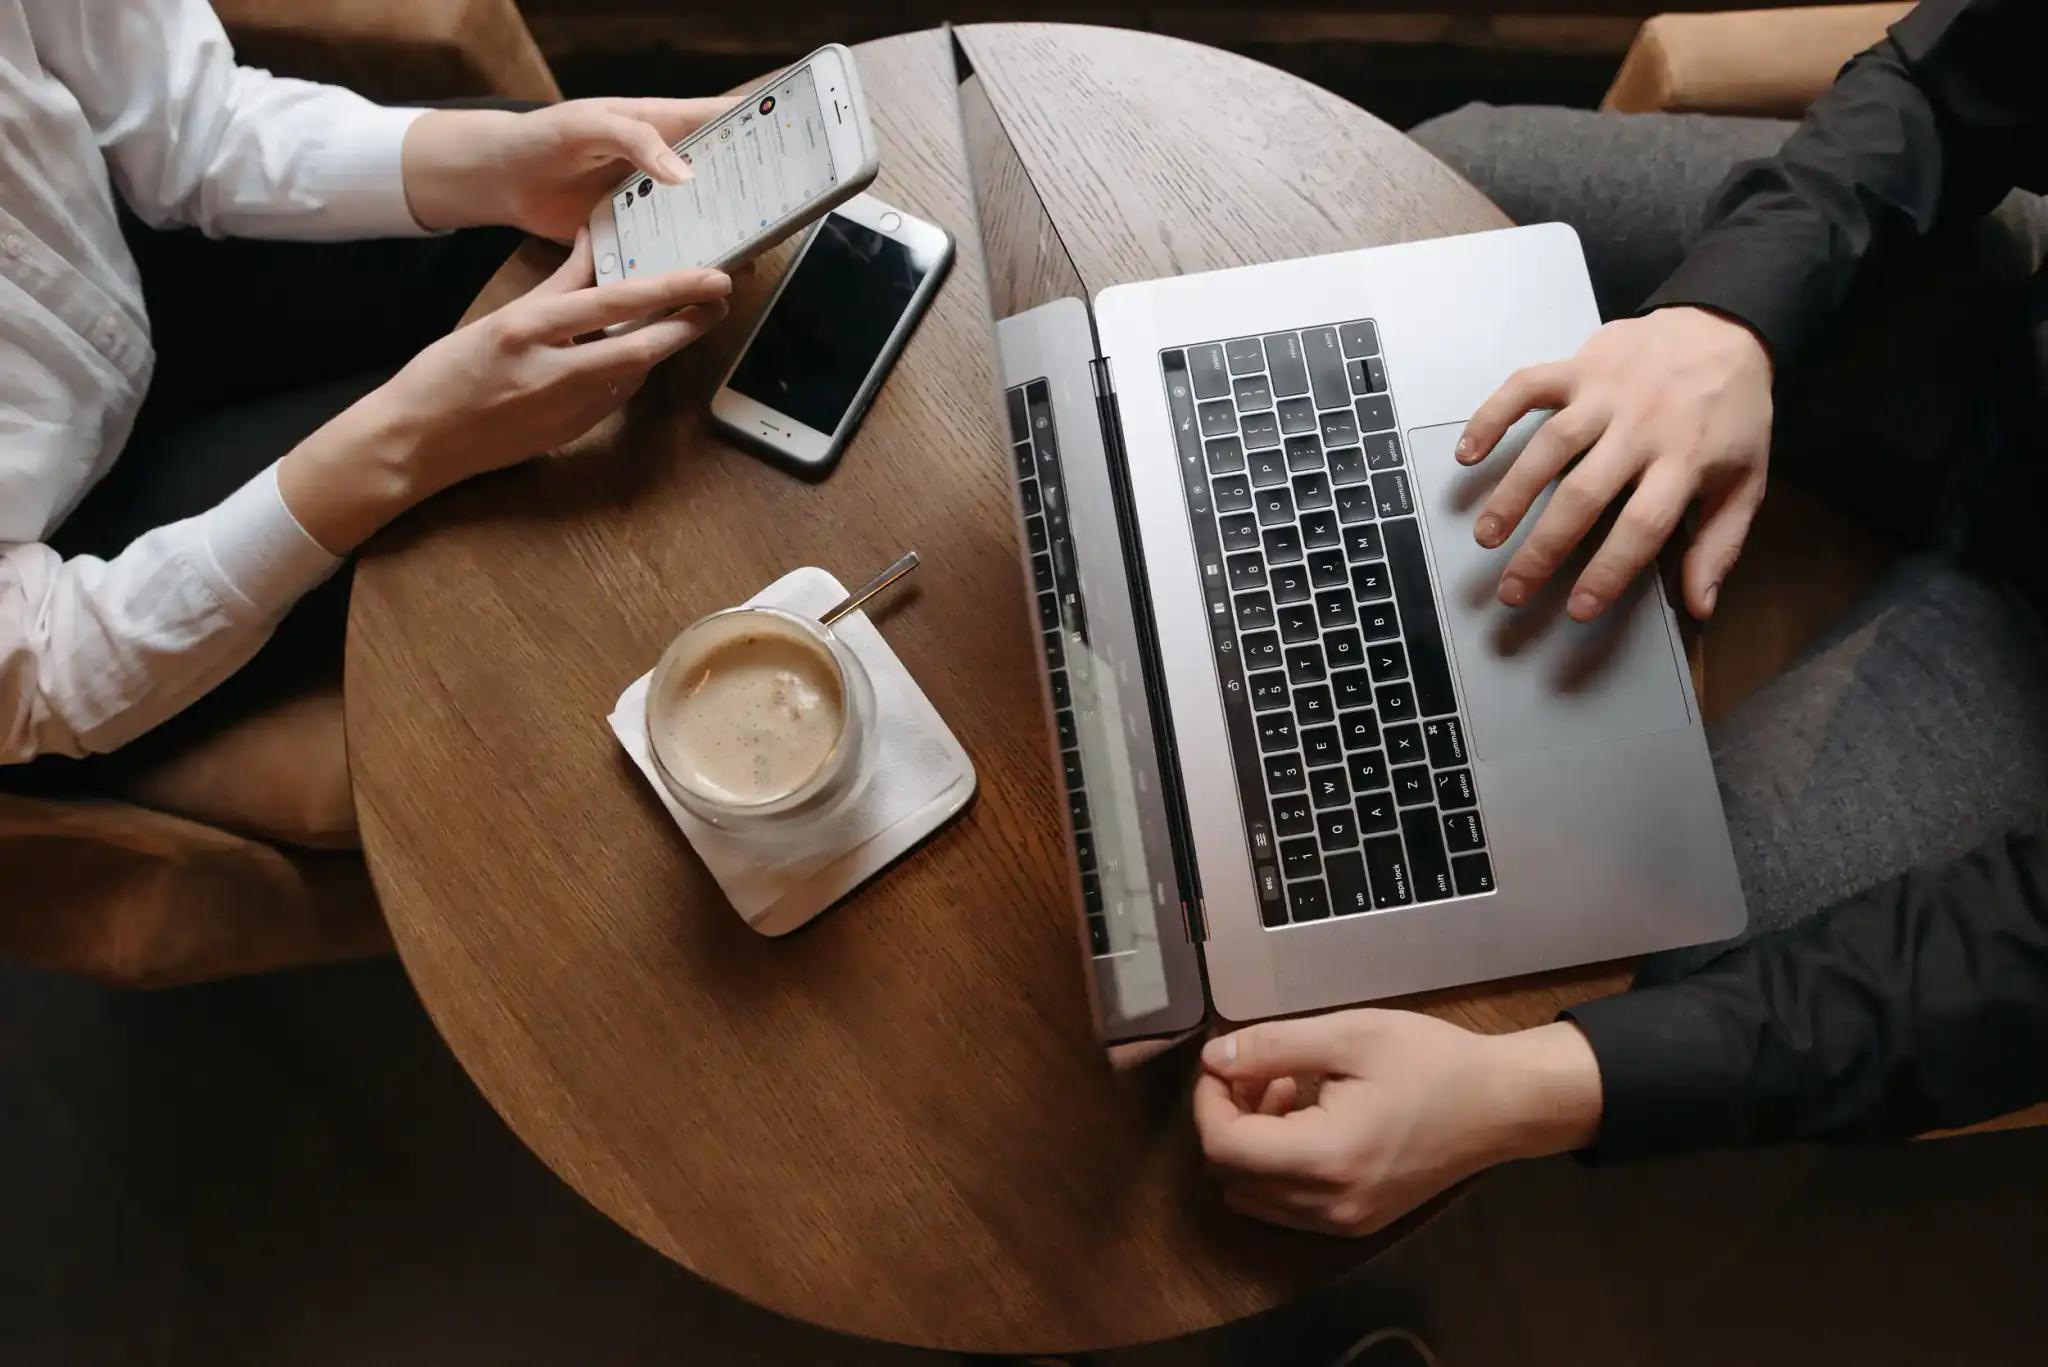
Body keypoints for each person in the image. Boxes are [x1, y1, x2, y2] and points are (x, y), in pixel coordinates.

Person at [1193, 0, 2048, 1237]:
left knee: (1610, 956)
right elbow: (1953, 77)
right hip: (1994, 333)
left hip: (2021, 671)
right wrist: (1726, 320)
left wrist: (1527, 1086)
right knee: (1449, 185)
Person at [2, 0, 736, 772]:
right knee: (513, 483)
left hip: (123, 257)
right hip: (65, 588)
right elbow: (43, 675)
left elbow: (194, 119)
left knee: (582, 195)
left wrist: (498, 162)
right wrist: (410, 441)